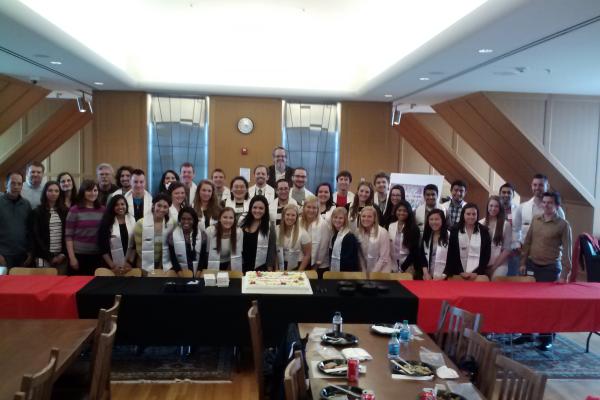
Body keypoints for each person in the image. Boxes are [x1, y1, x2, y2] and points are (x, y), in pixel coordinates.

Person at [519, 191, 572, 351]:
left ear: (557, 205)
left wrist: (564, 275)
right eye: (545, 202)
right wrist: (523, 262)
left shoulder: (563, 225)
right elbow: (527, 243)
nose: (547, 205)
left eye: (550, 203)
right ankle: (526, 334)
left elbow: (568, 252)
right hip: (532, 266)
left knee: (547, 306)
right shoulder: (536, 220)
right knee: (529, 303)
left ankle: (546, 338)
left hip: (550, 268)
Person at [512, 174, 565, 265]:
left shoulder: (558, 210)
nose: (537, 187)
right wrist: (517, 244)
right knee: (526, 279)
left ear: (547, 186)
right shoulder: (522, 207)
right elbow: (515, 229)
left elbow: (562, 233)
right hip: (526, 255)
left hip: (548, 258)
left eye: (541, 185)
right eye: (535, 185)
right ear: (531, 186)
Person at [65, 180, 105, 275]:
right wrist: (72, 258)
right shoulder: (74, 210)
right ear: (83, 192)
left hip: (98, 256)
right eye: (89, 190)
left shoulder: (103, 210)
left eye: (95, 190)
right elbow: (68, 236)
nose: (93, 193)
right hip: (79, 255)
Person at [126, 193, 174, 273]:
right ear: (153, 205)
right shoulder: (140, 224)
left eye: (165, 207)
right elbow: (139, 249)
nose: (162, 209)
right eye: (159, 205)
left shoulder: (171, 224)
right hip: (144, 263)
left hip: (163, 263)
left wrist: (160, 265)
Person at [29, 181, 68, 274]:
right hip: (43, 256)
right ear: (45, 192)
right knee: (43, 285)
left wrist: (63, 254)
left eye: (56, 191)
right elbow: (36, 236)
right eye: (50, 190)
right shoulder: (37, 212)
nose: (53, 193)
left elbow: (68, 234)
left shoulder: (65, 211)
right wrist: (49, 256)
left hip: (61, 257)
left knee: (61, 285)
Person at [445, 203, 491, 280]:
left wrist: (477, 272)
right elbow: (451, 254)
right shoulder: (454, 230)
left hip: (477, 273)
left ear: (477, 215)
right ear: (463, 215)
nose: (471, 217)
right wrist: (460, 271)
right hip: (457, 272)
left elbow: (486, 255)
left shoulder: (484, 231)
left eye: (474, 214)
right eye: (468, 214)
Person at [97, 194, 136, 276]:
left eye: (122, 204)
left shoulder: (132, 219)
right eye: (117, 205)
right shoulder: (106, 222)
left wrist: (129, 262)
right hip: (110, 265)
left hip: (128, 264)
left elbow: (135, 245)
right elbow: (102, 247)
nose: (120, 207)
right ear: (112, 207)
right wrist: (112, 266)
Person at [0, 172, 32, 268]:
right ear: (6, 184)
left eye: (19, 184)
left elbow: (30, 230)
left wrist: (30, 252)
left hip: (22, 256)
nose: (16, 187)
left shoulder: (26, 205)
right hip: (3, 255)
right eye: (13, 183)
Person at [240, 195, 277, 272]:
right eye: (255, 207)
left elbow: (271, 249)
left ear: (265, 210)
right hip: (242, 265)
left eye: (261, 208)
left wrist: (269, 267)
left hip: (260, 267)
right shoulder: (242, 223)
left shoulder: (269, 226)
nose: (257, 210)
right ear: (250, 208)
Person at [165, 206, 203, 276]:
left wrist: (197, 276)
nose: (186, 222)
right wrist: (182, 276)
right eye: (183, 219)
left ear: (194, 220)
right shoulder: (172, 236)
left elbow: (202, 258)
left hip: (198, 274)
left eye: (189, 219)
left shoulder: (202, 235)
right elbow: (173, 259)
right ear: (179, 219)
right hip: (180, 273)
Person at [480, 196, 512, 278]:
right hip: (482, 263)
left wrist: (493, 268)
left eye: (496, 206)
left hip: (499, 264)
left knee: (496, 279)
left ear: (500, 208)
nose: (493, 209)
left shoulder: (506, 225)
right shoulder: (480, 223)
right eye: (491, 206)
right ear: (487, 207)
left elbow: (507, 250)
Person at [388, 201, 421, 276]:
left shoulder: (414, 228)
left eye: (405, 211)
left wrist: (403, 268)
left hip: (408, 265)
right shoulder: (391, 226)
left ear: (409, 212)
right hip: (392, 264)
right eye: (399, 210)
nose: (401, 213)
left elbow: (414, 251)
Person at [277, 204, 311, 271]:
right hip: (281, 265)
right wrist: (276, 268)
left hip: (297, 266)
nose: (290, 217)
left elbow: (307, 254)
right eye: (287, 214)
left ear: (296, 217)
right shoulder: (276, 230)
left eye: (293, 215)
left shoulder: (303, 233)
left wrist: (299, 271)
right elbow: (275, 252)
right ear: (283, 216)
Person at [357, 206, 390, 273]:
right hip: (365, 272)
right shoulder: (358, 232)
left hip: (381, 271)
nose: (366, 219)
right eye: (363, 216)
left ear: (374, 218)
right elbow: (360, 256)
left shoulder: (383, 232)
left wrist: (373, 273)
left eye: (369, 216)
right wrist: (364, 271)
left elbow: (383, 258)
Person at [327, 207, 361, 272]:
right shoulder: (335, 235)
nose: (337, 220)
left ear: (345, 220)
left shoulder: (349, 236)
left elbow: (348, 261)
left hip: (347, 273)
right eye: (335, 217)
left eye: (340, 218)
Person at [419, 209, 450, 280]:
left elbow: (451, 259)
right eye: (431, 219)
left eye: (437, 219)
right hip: (428, 276)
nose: (434, 222)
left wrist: (443, 276)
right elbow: (422, 256)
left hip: (444, 277)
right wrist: (426, 273)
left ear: (442, 220)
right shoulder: (427, 235)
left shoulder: (449, 236)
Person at [299, 196, 329, 269]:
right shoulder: (298, 222)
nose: (311, 210)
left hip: (318, 265)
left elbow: (323, 248)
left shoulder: (323, 224)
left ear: (318, 209)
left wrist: (316, 266)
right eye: (308, 207)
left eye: (314, 208)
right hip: (300, 262)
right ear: (304, 208)